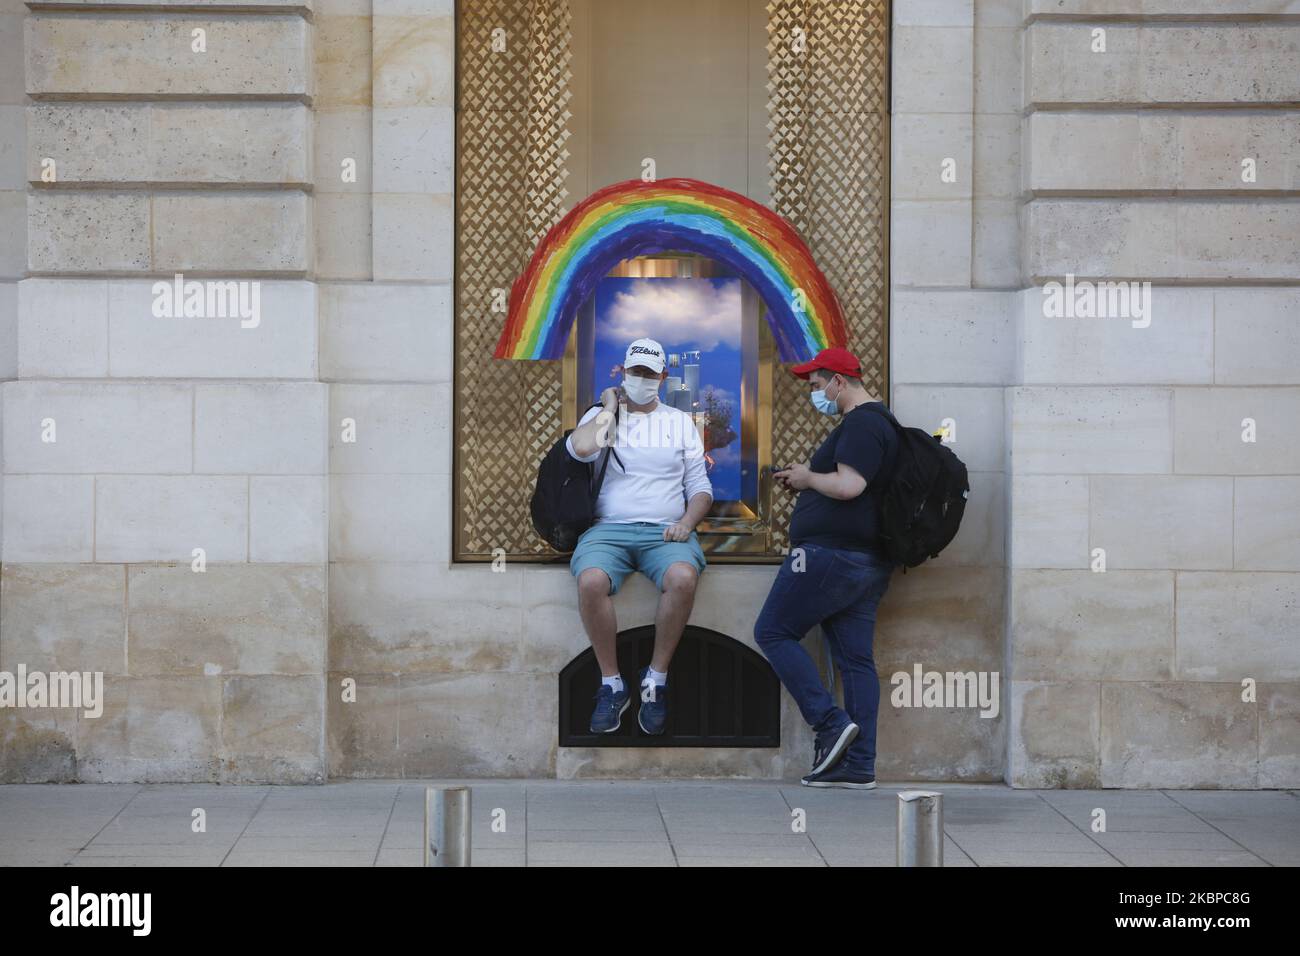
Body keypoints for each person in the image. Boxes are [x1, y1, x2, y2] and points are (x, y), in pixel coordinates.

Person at [754, 347, 899, 789]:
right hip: (865, 561)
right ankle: (859, 767)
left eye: (817, 386)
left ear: (839, 380)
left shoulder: (861, 423)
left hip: (830, 557)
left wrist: (807, 479)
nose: (816, 394)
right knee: (855, 660)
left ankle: (830, 724)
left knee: (773, 632)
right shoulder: (883, 424)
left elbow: (850, 485)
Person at [566, 338, 713, 735]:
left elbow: (700, 487)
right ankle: (612, 684)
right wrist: (609, 409)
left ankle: (655, 680)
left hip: (664, 530)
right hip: (608, 529)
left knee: (683, 578)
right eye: (636, 372)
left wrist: (687, 522)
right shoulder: (600, 416)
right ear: (622, 371)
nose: (642, 380)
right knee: (591, 581)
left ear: (663, 377)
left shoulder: (679, 421)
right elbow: (579, 450)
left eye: (650, 374)